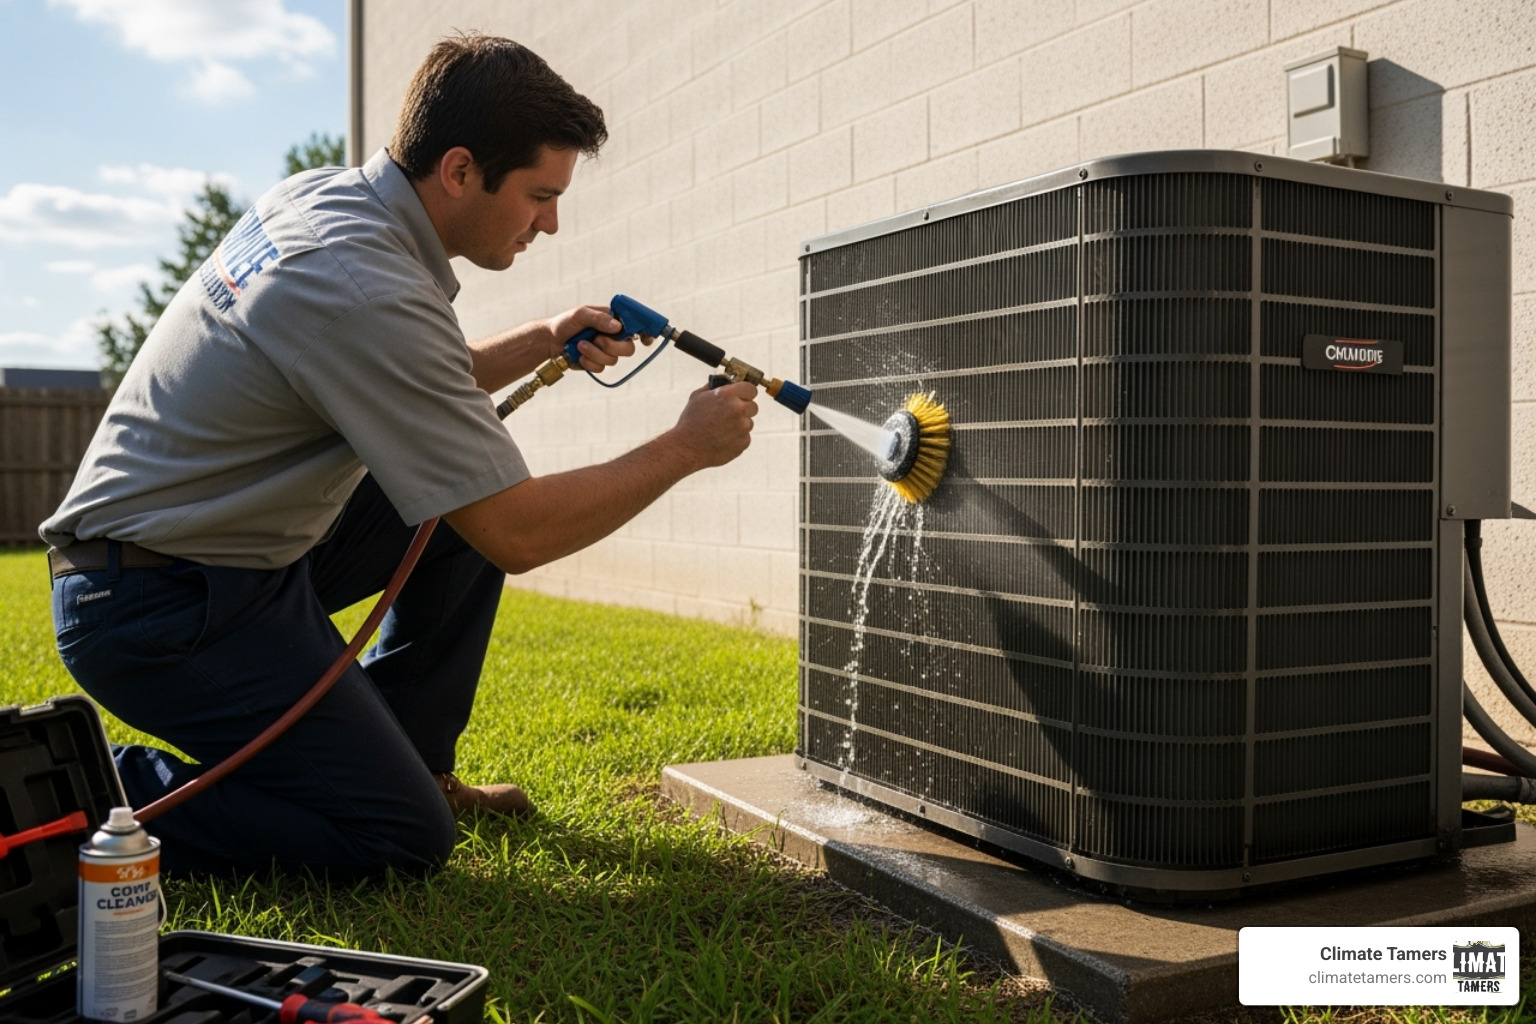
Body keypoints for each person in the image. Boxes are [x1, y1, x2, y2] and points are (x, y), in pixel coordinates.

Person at [40, 34, 758, 876]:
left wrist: (543, 339)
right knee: (396, 838)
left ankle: (413, 763)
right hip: (157, 605)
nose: (550, 223)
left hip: (220, 556)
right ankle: (80, 799)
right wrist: (683, 449)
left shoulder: (329, 204)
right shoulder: (358, 283)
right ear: (459, 170)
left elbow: (401, 379)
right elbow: (518, 534)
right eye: (539, 195)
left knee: (456, 502)